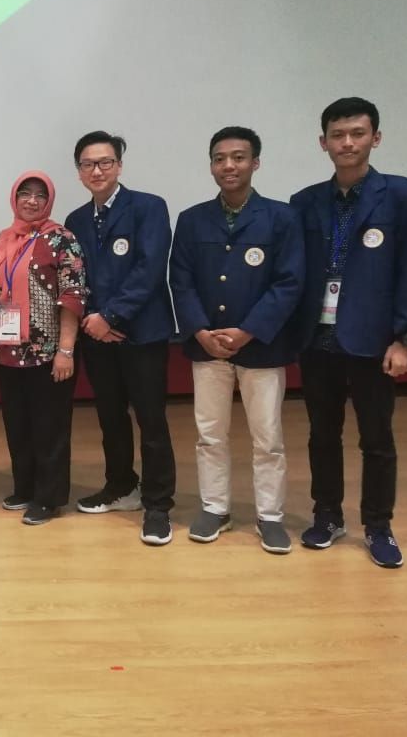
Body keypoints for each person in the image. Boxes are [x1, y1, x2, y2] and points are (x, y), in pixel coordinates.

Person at [290, 97, 407, 568]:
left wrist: (404, 338)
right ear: (323, 142)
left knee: (377, 437)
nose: (347, 143)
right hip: (318, 338)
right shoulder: (305, 201)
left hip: (373, 337)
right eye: (338, 135)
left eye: (357, 133)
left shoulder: (403, 195)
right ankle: (327, 515)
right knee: (321, 434)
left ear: (376, 137)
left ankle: (378, 525)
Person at [169, 127, 303, 553]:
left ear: (255, 163)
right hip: (207, 345)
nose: (229, 165)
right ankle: (215, 507)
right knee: (210, 433)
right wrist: (199, 330)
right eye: (220, 158)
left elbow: (289, 283)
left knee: (268, 438)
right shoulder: (192, 220)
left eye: (239, 157)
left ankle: (270, 515)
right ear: (211, 165)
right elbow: (180, 280)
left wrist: (248, 330)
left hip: (261, 345)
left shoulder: (281, 218)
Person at [64, 131, 177, 546]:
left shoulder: (148, 207)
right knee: (110, 417)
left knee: (151, 419)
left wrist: (110, 316)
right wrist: (94, 320)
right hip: (97, 337)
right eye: (88, 164)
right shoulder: (76, 220)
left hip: (142, 334)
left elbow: (150, 269)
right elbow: (76, 278)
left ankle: (158, 504)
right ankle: (120, 486)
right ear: (79, 172)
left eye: (105, 162)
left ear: (119, 166)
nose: (97, 170)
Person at [0, 171, 86, 525]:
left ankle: (49, 498)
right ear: (14, 198)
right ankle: (24, 487)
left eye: (40, 195)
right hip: (7, 351)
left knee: (49, 426)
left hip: (49, 352)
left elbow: (73, 297)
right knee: (17, 423)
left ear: (49, 200)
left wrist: (65, 350)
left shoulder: (62, 240)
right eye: (25, 193)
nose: (32, 201)